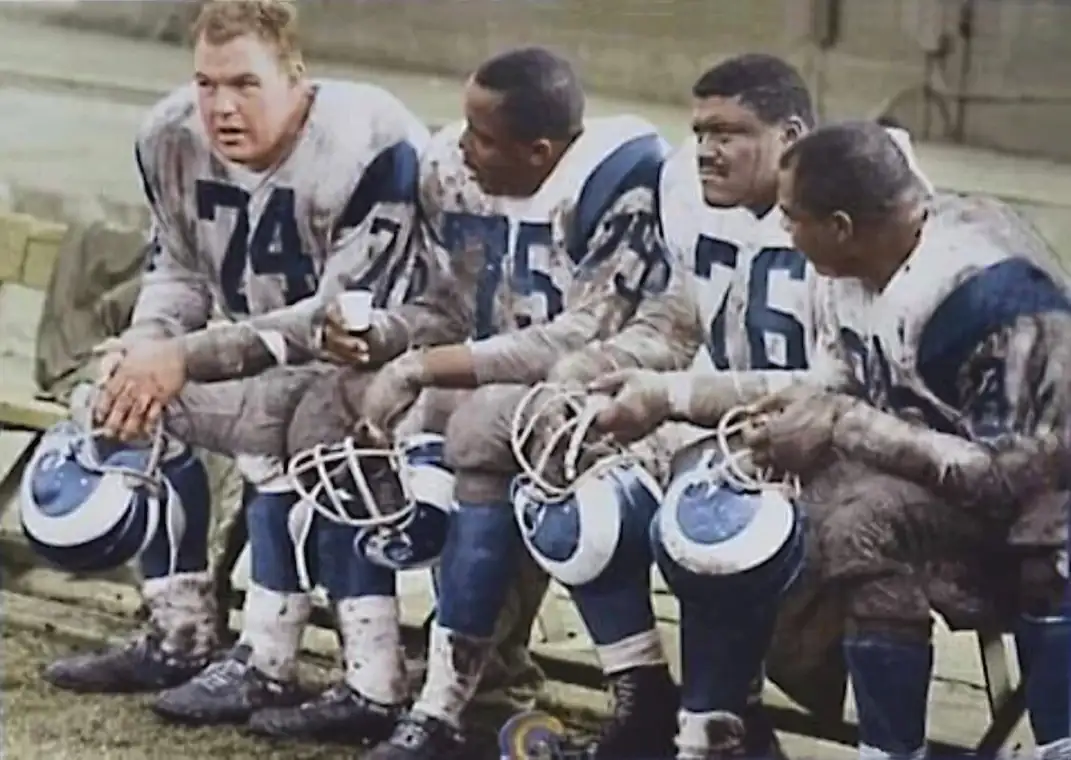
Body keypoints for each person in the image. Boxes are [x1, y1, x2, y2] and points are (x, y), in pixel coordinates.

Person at [271, 45, 699, 758]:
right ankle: (376, 680)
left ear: (539, 150)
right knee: (339, 412)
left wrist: (419, 369)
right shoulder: (449, 172)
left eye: (483, 138)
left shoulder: (620, 183)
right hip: (482, 388)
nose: (461, 148)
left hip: (600, 399)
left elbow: (577, 336)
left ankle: (475, 699)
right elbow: (446, 306)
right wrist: (381, 334)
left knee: (501, 451)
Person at [601, 120, 1071, 759]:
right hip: (944, 485)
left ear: (843, 225)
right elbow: (830, 381)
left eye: (793, 219)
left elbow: (1016, 481)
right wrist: (673, 397)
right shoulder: (853, 262)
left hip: (1043, 518)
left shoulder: (996, 294)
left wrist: (845, 424)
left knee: (867, 518)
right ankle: (771, 731)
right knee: (749, 494)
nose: (784, 233)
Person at [42, 1, 433, 732]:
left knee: (298, 420)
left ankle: (302, 667)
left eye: (245, 84)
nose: (221, 106)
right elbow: (179, 270)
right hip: (254, 358)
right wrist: (145, 347)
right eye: (207, 83)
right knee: (126, 401)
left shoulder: (368, 139)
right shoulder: (169, 136)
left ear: (295, 75)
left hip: (380, 370)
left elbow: (345, 315)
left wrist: (182, 356)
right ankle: (179, 634)